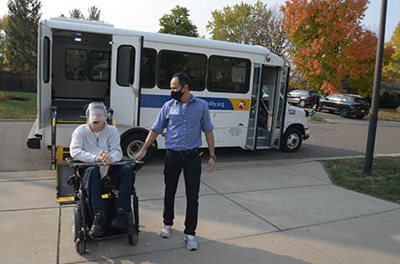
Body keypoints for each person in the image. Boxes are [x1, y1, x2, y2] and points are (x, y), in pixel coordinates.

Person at [134, 72, 216, 251]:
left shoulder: (202, 106)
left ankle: (190, 233)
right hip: (172, 157)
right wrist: (143, 149)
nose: (171, 91)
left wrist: (212, 155)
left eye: (174, 88)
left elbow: (208, 131)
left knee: (192, 196)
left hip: (192, 158)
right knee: (169, 191)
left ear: (185, 88)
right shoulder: (168, 106)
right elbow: (155, 129)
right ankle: (167, 224)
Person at [70, 101, 135, 237]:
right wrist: (94, 158)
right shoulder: (80, 131)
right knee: (93, 170)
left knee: (127, 170)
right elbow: (75, 151)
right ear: (88, 117)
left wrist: (110, 158)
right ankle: (99, 217)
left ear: (105, 118)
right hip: (89, 169)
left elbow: (117, 151)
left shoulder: (112, 131)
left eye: (100, 117)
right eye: (94, 117)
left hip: (109, 170)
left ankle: (120, 212)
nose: (96, 120)